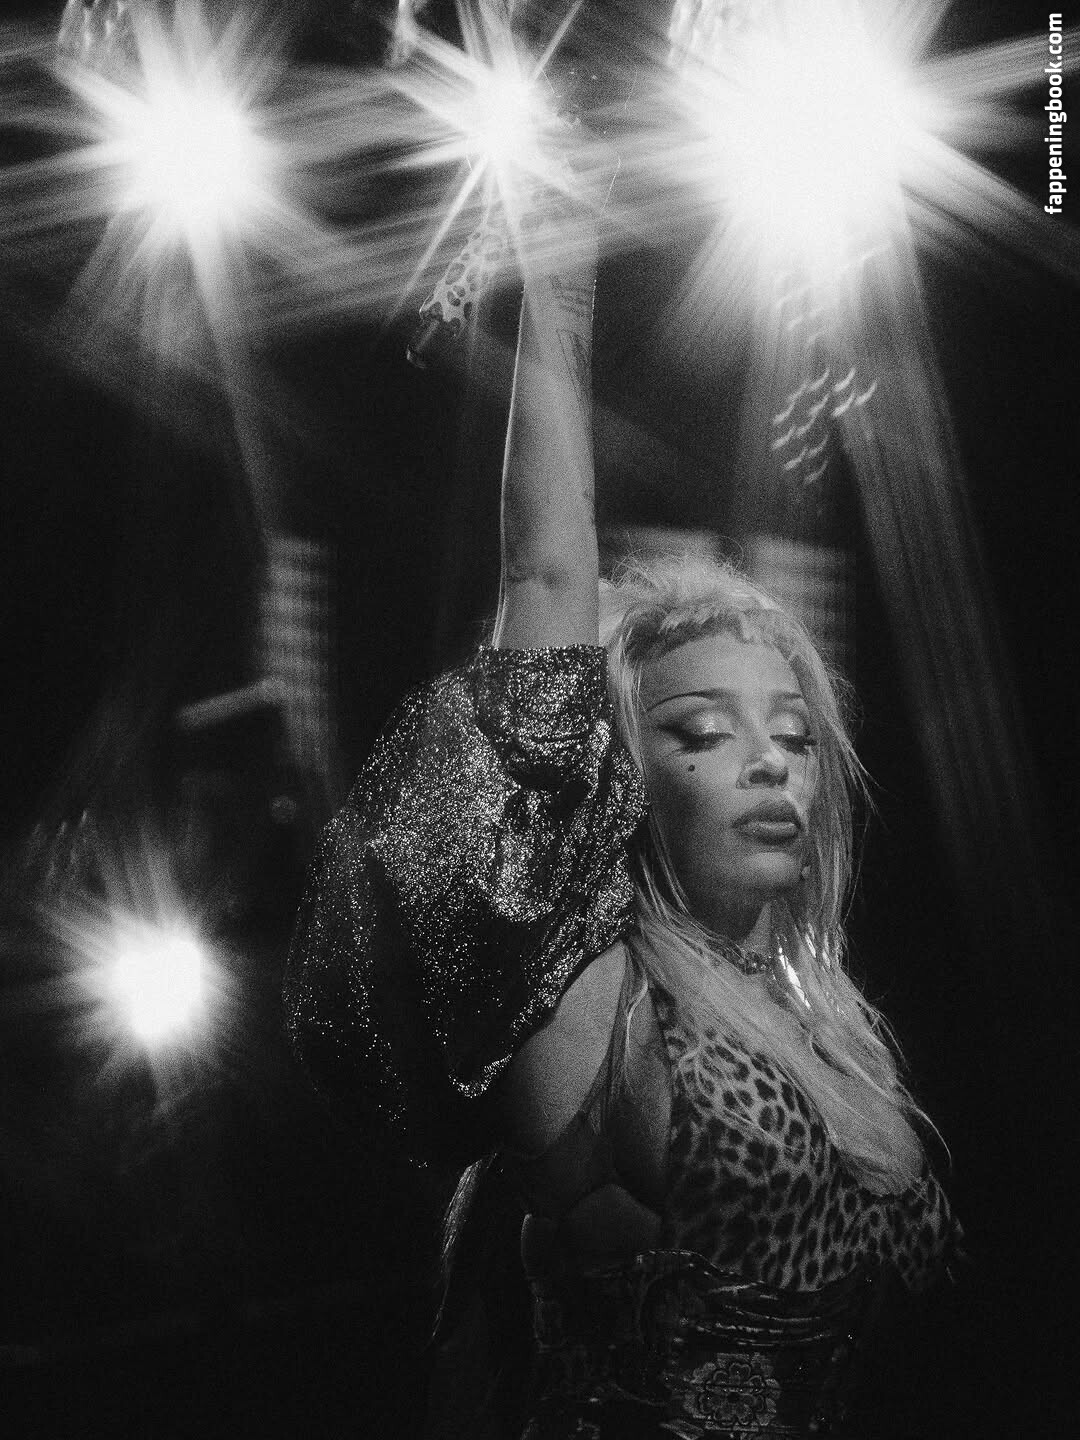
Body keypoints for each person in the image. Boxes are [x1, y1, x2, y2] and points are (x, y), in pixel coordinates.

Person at [284, 184, 960, 1439]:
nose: (769, 764)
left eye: (794, 738)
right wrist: (559, 253)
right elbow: (547, 572)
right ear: (624, 783)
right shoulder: (589, 998)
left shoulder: (830, 1026)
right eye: (703, 733)